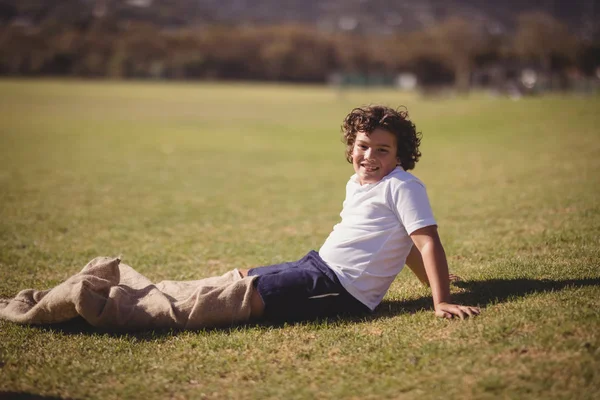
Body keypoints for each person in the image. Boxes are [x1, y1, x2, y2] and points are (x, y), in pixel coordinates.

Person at [239, 105, 480, 322]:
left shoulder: (401, 186)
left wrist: (442, 301)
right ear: (352, 147)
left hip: (341, 287)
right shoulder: (356, 182)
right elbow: (403, 242)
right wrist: (427, 279)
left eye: (382, 150)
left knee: (247, 296)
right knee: (242, 276)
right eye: (363, 146)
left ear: (399, 155)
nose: (369, 156)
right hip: (316, 265)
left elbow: (426, 242)